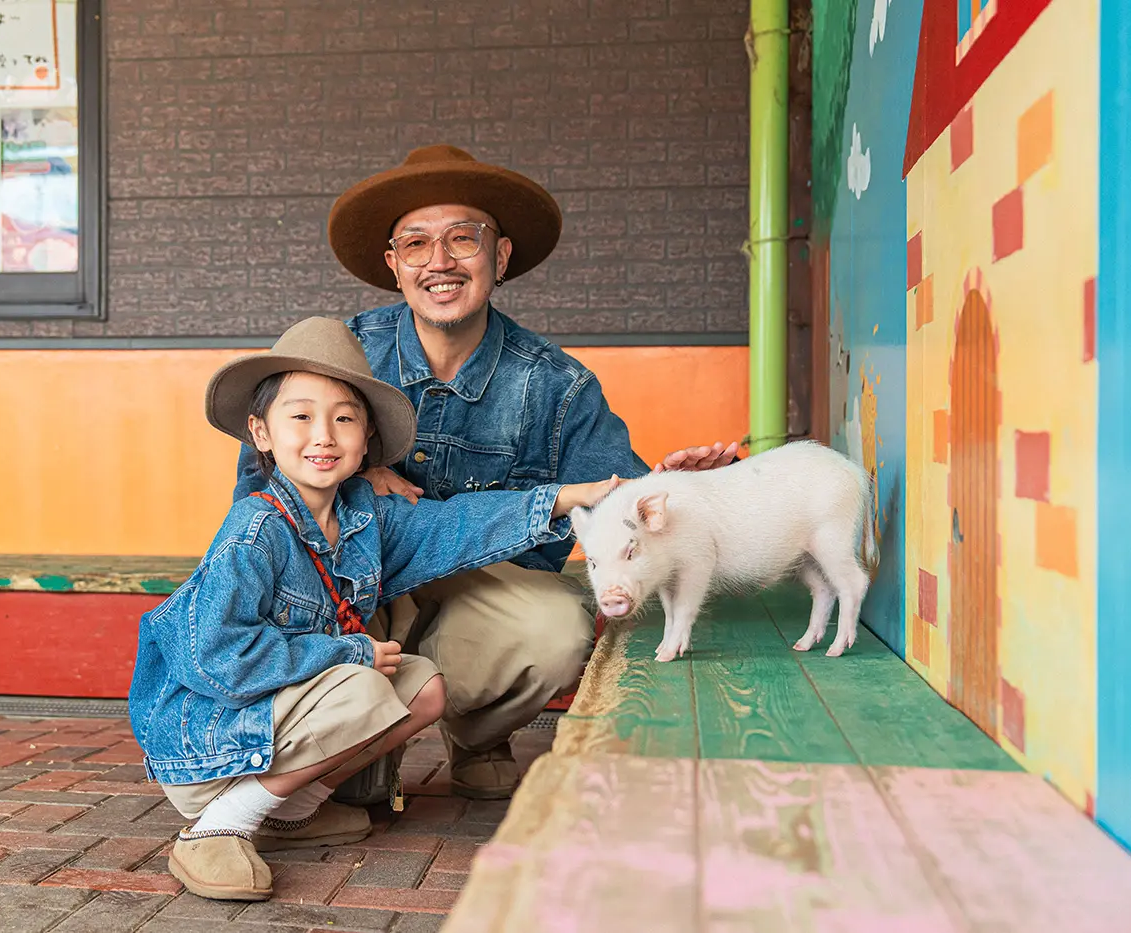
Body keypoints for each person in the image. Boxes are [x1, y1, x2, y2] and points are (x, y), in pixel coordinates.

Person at [234, 144, 738, 802]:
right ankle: (366, 736)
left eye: (462, 238)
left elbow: (631, 510)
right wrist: (352, 479)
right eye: (416, 243)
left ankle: (474, 729)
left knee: (557, 631)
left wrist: (672, 487)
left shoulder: (556, 384)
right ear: (393, 264)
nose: (439, 262)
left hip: (486, 590)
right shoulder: (337, 356)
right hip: (355, 586)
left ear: (498, 256)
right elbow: (256, 495)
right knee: (355, 795)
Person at [129, 315, 619, 901]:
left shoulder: (365, 517)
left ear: (366, 443)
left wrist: (569, 497)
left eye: (344, 418)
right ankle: (217, 826)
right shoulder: (254, 530)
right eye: (301, 416)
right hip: (215, 742)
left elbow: (459, 523)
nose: (324, 436)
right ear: (261, 432)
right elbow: (216, 658)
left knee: (423, 688)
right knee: (364, 683)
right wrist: (350, 651)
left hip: (277, 725)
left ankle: (292, 811)